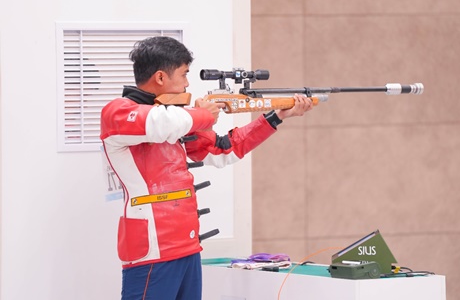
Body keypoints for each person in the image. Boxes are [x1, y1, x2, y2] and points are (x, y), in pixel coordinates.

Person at [100, 36, 313, 300]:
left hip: (187, 245)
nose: (187, 83)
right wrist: (204, 114)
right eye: (183, 74)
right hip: (153, 248)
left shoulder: (175, 119)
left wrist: (276, 116)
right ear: (160, 78)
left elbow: (225, 149)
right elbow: (158, 123)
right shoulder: (119, 112)